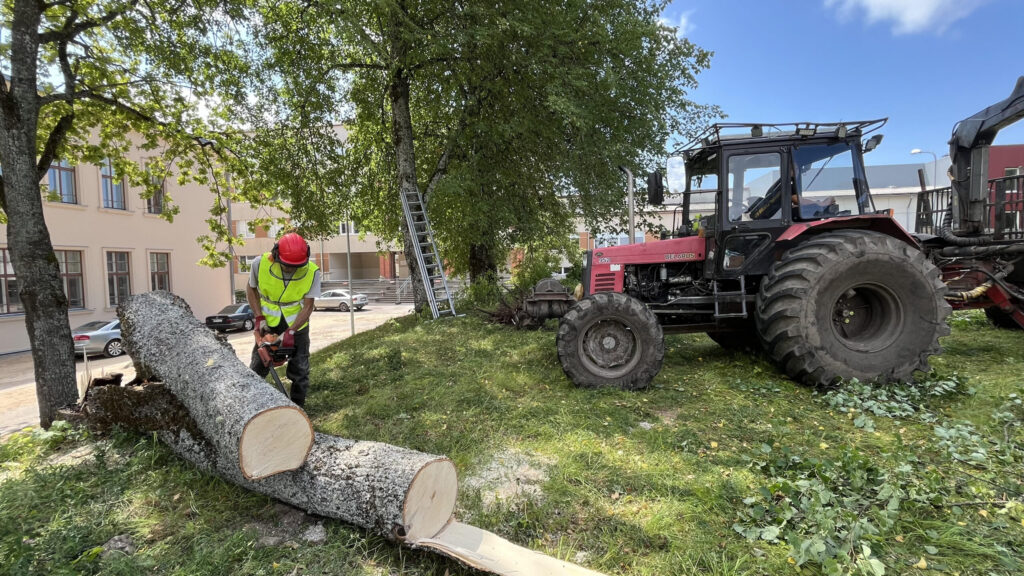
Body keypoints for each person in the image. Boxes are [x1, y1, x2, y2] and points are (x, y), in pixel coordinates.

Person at [246, 232, 321, 407]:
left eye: (295, 266)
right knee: (258, 366)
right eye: (287, 266)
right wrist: (259, 318)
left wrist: (292, 331)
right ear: (276, 254)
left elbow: (308, 306)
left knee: (300, 369)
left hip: (297, 322)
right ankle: (252, 405)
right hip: (268, 322)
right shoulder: (260, 263)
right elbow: (251, 289)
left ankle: (298, 407)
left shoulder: (312, 271)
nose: (291, 269)